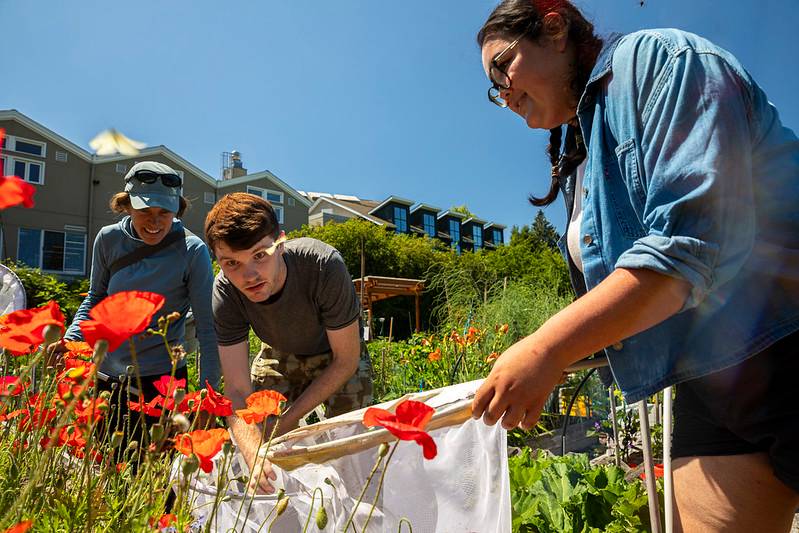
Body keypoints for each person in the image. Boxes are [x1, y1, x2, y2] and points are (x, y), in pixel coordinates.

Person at [471, 1, 799, 531]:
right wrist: (538, 362)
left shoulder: (662, 62)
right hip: (711, 374)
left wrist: (546, 347)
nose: (503, 92)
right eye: (493, 86)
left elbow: (688, 246)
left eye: (503, 66)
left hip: (783, 339)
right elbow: (625, 296)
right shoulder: (584, 149)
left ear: (555, 30)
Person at [205, 192, 373, 493]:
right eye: (232, 263)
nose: (249, 276)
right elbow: (236, 389)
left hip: (334, 354)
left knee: (349, 445)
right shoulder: (225, 292)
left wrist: (287, 422)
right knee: (254, 434)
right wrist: (255, 452)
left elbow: (346, 360)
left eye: (260, 255)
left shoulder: (323, 265)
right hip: (279, 352)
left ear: (281, 243)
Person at [64, 161, 221, 425]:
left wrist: (208, 398)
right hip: (107, 378)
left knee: (155, 462)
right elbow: (95, 298)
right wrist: (70, 342)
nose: (155, 221)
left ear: (177, 210)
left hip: (163, 382)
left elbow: (208, 328)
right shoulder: (108, 239)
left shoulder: (192, 251)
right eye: (144, 209)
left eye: (165, 212)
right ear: (126, 205)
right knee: (105, 460)